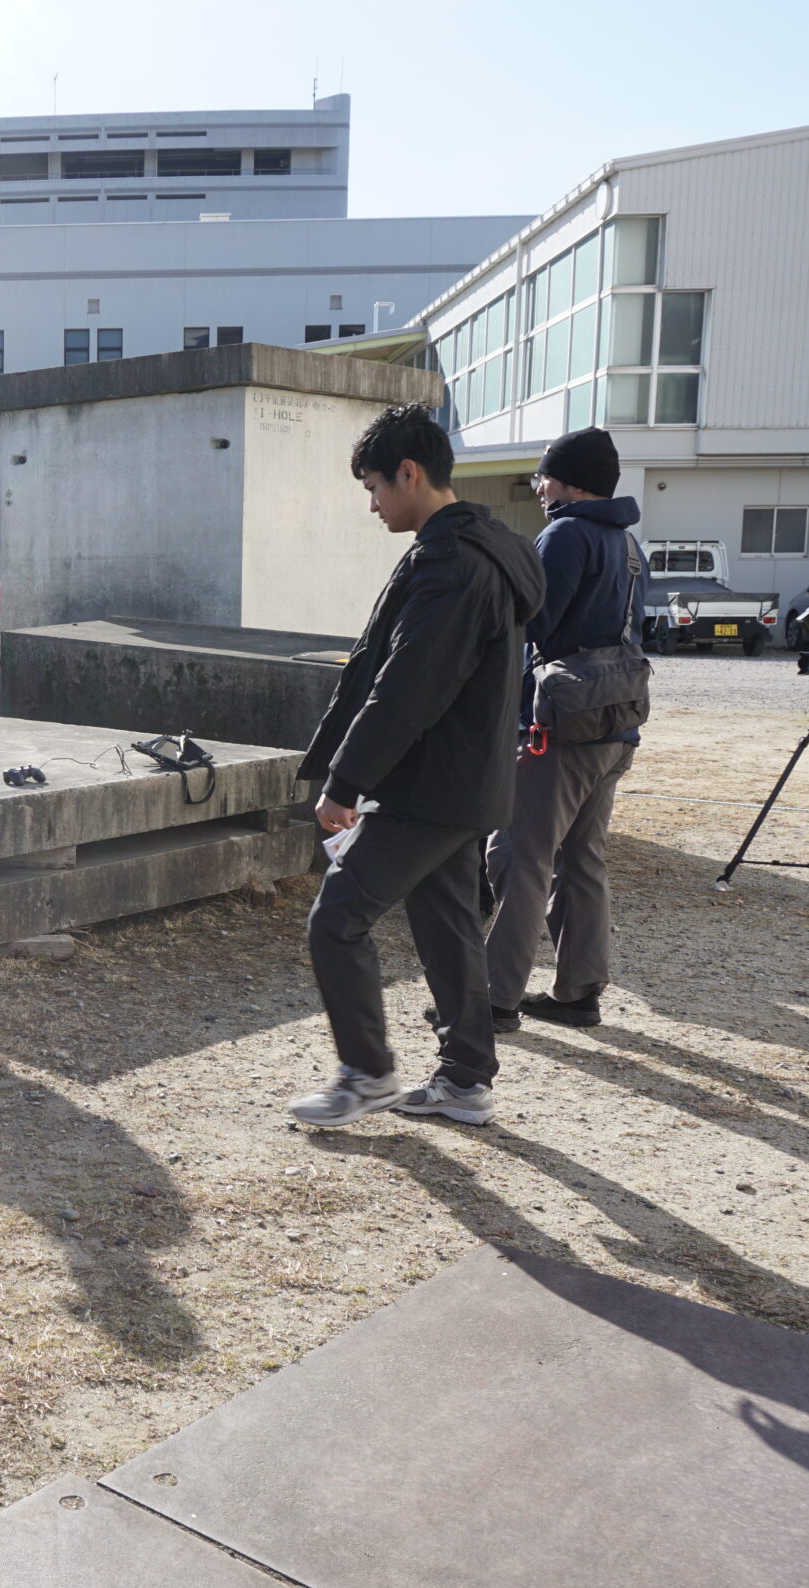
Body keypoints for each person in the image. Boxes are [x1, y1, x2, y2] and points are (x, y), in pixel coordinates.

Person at [288, 404, 544, 1130]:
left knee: (336, 919)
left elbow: (408, 686)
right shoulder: (487, 549)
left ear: (409, 473)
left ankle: (367, 1074)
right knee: (448, 927)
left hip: (430, 784)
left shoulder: (452, 563)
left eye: (374, 487)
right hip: (465, 779)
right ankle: (465, 1080)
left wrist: (345, 782)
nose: (372, 504)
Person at [485, 426, 645, 1030]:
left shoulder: (566, 534)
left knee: (518, 854)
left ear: (570, 482)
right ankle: (578, 992)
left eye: (544, 476)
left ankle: (492, 998)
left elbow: (530, 625)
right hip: (615, 724)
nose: (539, 487)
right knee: (582, 860)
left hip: (558, 726)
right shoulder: (628, 543)